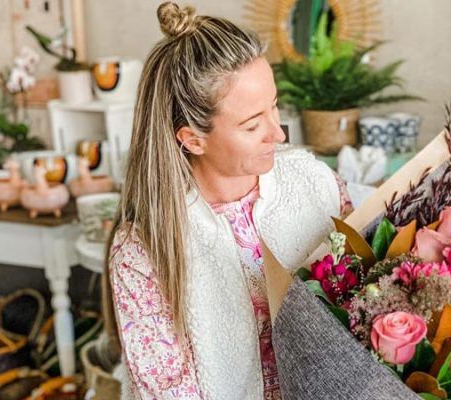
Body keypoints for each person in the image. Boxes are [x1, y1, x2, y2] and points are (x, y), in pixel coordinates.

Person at [101, 3, 352, 399]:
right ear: (192, 139)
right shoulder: (144, 251)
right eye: (252, 124)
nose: (278, 133)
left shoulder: (316, 184)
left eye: (274, 107)